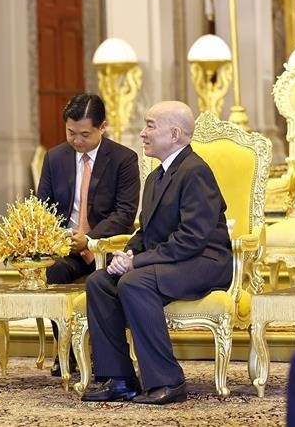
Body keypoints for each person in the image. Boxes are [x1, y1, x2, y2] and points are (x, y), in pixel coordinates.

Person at [81, 101, 233, 405]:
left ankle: (169, 381)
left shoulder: (195, 171)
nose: (142, 133)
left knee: (135, 281)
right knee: (99, 282)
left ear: (174, 133)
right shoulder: (155, 177)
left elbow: (191, 239)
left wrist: (137, 263)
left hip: (205, 261)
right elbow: (145, 232)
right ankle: (121, 380)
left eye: (150, 125)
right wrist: (125, 254)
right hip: (174, 260)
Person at [36, 93, 140, 376]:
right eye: (71, 133)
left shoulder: (124, 159)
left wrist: (90, 238)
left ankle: (102, 355)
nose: (77, 141)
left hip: (105, 247)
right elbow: (43, 208)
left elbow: (125, 214)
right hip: (66, 249)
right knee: (52, 273)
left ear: (102, 127)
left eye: (84, 134)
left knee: (102, 281)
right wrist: (59, 239)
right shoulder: (55, 158)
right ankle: (65, 352)